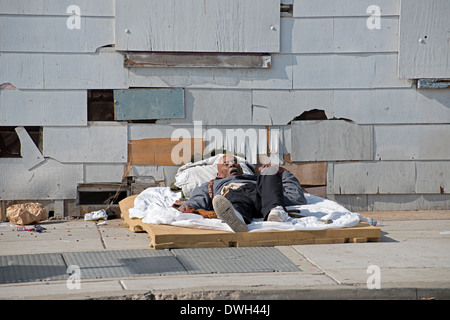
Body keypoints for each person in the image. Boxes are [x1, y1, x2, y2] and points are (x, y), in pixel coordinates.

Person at [179, 155, 307, 232]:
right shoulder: (212, 184)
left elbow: (296, 197)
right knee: (234, 196)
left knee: (269, 172)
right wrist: (190, 205)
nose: (232, 164)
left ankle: (275, 212)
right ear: (218, 174)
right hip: (234, 195)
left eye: (235, 162)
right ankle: (237, 217)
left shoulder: (258, 180)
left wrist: (282, 172)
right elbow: (197, 199)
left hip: (262, 197)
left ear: (241, 169)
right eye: (226, 164)